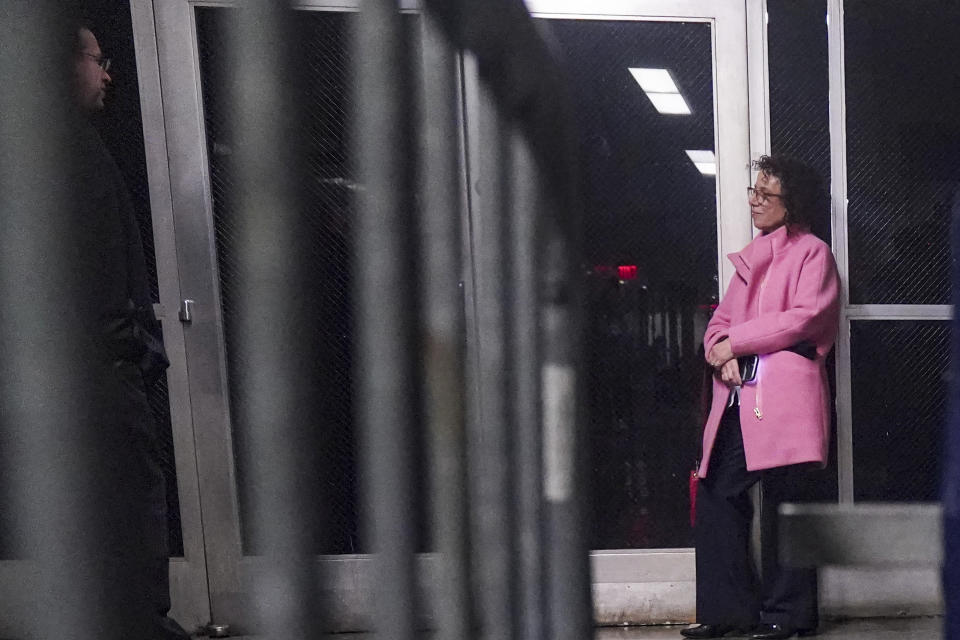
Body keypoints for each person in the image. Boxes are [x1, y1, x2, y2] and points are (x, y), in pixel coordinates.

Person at [682, 155, 840, 640]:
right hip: (741, 395)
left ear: (791, 204)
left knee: (786, 503)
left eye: (764, 194)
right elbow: (719, 325)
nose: (753, 201)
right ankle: (728, 612)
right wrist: (720, 353)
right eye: (753, 191)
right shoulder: (752, 259)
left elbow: (804, 318)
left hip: (786, 401)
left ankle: (787, 616)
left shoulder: (814, 254)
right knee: (716, 492)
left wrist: (739, 342)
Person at [73, 24, 189, 640]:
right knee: (131, 541)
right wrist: (134, 354)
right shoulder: (72, 159)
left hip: (92, 383)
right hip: (104, 385)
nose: (108, 73)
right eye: (99, 61)